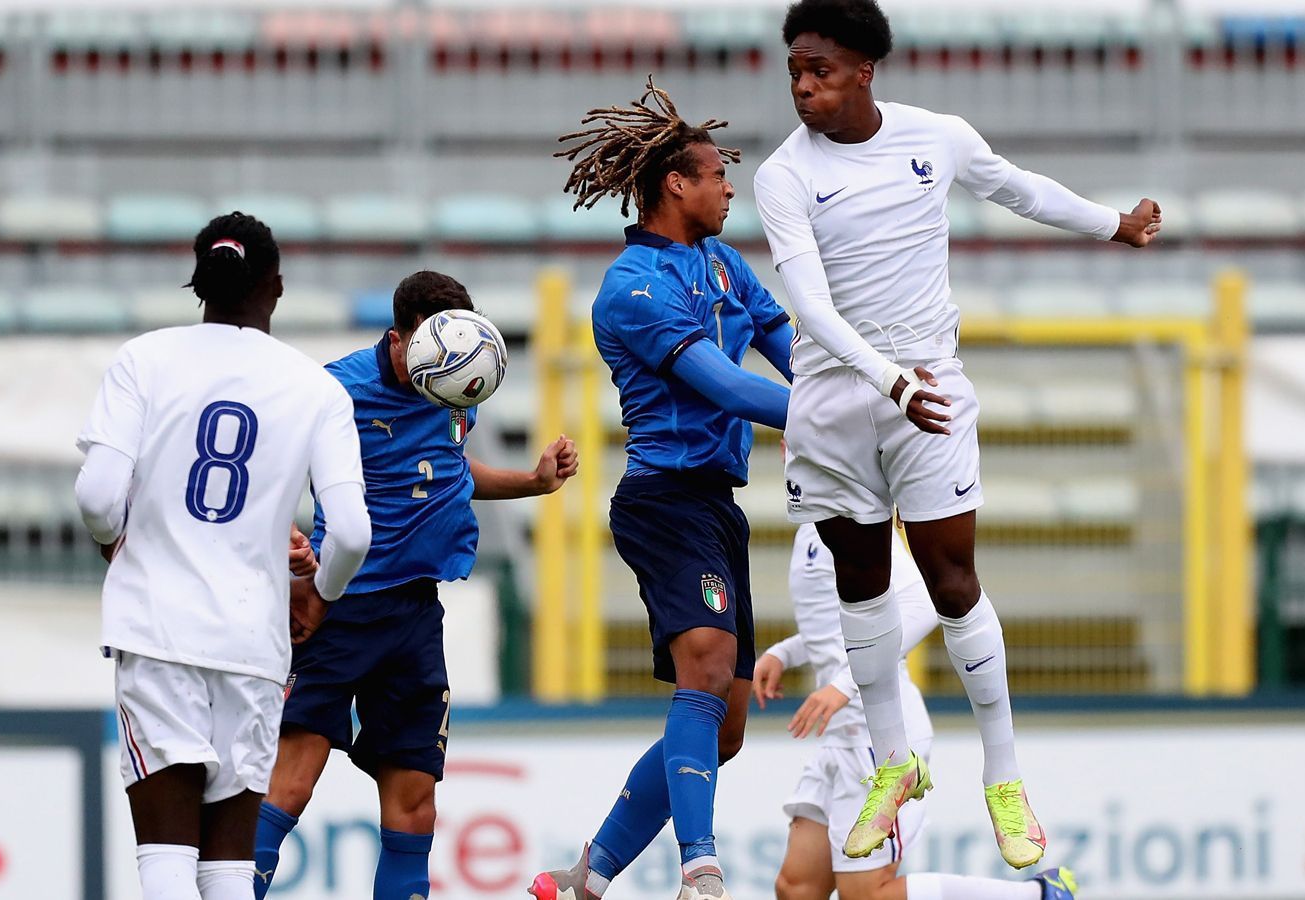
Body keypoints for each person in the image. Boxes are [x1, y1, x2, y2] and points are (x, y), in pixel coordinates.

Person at [752, 0, 1164, 867]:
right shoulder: (784, 175)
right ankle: (894, 765)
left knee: (951, 580)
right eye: (794, 69)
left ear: (865, 69)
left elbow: (1017, 188)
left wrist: (1113, 224)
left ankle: (1004, 780)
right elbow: (811, 307)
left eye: (818, 70)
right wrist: (884, 381)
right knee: (859, 589)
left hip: (927, 390)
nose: (802, 87)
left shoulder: (933, 136)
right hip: (837, 402)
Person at [526, 78, 795, 900]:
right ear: (676, 183)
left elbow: (784, 341)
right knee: (706, 672)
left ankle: (591, 873)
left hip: (717, 505)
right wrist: (841, 415)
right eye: (717, 175)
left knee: (728, 728)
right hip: (665, 501)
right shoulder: (633, 287)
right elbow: (722, 384)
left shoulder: (723, 263)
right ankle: (700, 869)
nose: (727, 188)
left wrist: (865, 383)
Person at [251, 270, 580, 900]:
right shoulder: (335, 390)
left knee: (415, 803)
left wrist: (533, 482)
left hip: (415, 615)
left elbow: (447, 469)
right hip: (337, 606)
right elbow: (265, 474)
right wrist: (282, 543)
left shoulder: (459, 376)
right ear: (400, 338)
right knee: (291, 785)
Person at [74, 212, 371, 900]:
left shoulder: (144, 359)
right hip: (253, 639)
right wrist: (320, 595)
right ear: (277, 285)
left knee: (167, 853)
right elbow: (351, 532)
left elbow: (96, 498)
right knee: (230, 864)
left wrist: (113, 543)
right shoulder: (316, 388)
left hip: (158, 628)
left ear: (199, 282)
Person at [755, 524, 1080, 900]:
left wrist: (842, 686)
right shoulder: (812, 525)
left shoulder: (854, 515)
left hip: (876, 740)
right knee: (797, 888)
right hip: (840, 737)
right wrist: (785, 653)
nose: (788, 460)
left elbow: (922, 606)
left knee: (865, 894)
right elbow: (834, 630)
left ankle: (1040, 895)